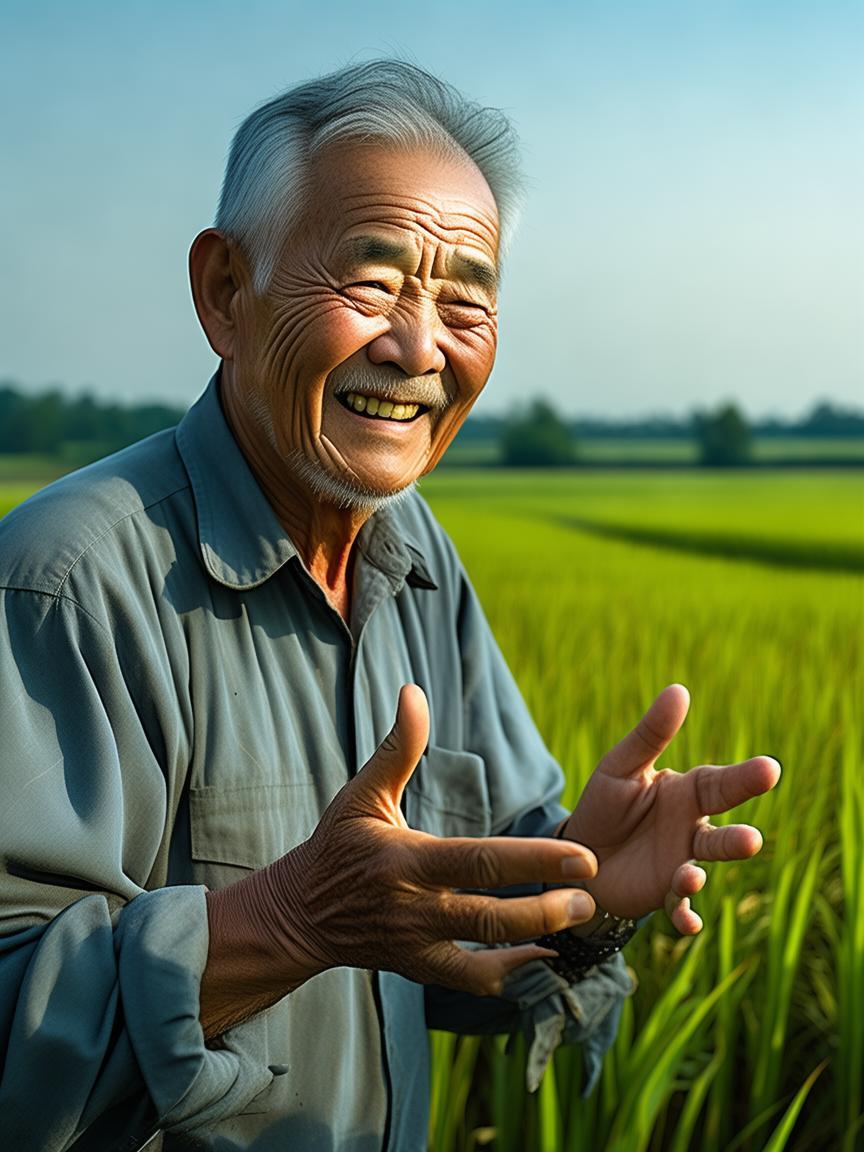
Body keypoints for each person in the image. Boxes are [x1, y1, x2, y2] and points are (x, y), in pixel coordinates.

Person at [0, 61, 780, 1151]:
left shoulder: (417, 558)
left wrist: (584, 893)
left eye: (466, 297)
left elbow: (445, 948)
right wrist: (288, 921)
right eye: (372, 283)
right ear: (226, 292)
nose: (420, 347)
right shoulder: (65, 583)